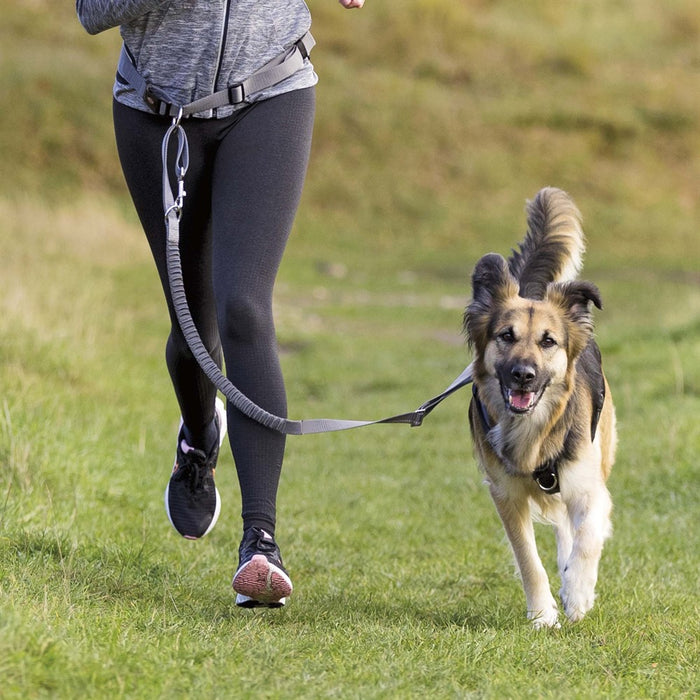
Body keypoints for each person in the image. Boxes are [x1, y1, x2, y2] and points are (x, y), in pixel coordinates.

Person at [76, 0, 366, 608]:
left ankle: (261, 542)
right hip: (155, 115)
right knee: (193, 326)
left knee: (245, 310)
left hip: (271, 91)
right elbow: (92, 11)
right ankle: (200, 439)